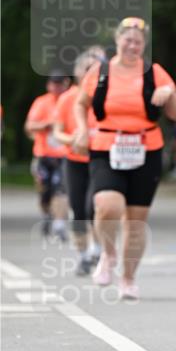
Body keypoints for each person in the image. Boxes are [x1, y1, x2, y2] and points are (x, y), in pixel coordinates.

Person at [73, 18, 176, 300]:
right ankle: (108, 255)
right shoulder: (100, 71)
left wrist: (169, 93)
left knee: (135, 221)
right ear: (118, 40)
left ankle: (128, 278)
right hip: (106, 146)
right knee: (108, 205)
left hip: (146, 148)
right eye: (127, 40)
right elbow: (80, 103)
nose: (132, 46)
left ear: (144, 45)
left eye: (138, 41)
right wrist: (83, 131)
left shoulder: (155, 72)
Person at [53, 47, 105, 275]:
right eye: (87, 68)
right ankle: (83, 255)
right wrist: (71, 139)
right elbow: (57, 132)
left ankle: (98, 249)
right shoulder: (68, 99)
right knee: (78, 210)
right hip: (74, 160)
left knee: (94, 205)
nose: (92, 72)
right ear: (78, 72)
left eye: (97, 68)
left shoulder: (107, 94)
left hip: (100, 158)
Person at [24, 72, 71, 240]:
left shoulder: (71, 101)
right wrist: (46, 125)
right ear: (49, 85)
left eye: (60, 83)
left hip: (64, 154)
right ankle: (46, 215)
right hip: (44, 154)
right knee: (45, 192)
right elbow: (29, 127)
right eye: (54, 83)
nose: (57, 87)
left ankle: (59, 224)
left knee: (61, 189)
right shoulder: (42, 102)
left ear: (66, 84)